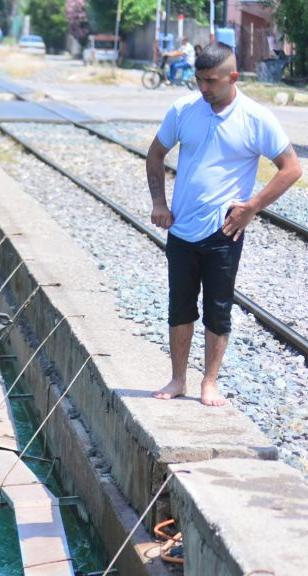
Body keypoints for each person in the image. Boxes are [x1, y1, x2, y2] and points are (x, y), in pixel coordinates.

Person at [146, 41, 302, 406]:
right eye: (199, 79)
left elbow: (292, 168)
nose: (202, 88)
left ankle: (209, 382)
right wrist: (158, 202)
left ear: (232, 77)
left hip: (224, 232)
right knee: (179, 306)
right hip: (182, 229)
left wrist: (252, 206)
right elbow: (156, 154)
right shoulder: (184, 109)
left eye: (210, 81)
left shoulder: (255, 118)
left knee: (218, 308)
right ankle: (178, 379)